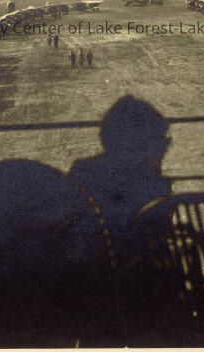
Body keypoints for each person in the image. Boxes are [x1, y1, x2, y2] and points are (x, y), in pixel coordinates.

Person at [69, 95, 171, 260]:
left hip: (91, 266)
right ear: (146, 144)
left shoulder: (81, 171)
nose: (165, 147)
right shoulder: (156, 186)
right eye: (162, 141)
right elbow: (158, 244)